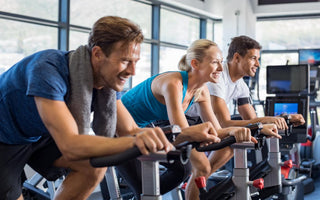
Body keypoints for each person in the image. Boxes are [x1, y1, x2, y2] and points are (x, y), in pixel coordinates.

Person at [0, 16, 221, 200]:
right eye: (125, 61)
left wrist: (182, 135)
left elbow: (131, 131)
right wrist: (136, 141)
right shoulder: (47, 70)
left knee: (93, 167)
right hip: (5, 138)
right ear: (97, 54)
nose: (133, 71)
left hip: (39, 135)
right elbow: (70, 145)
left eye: (135, 61)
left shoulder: (106, 84)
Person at [120, 39, 281, 200]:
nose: (220, 68)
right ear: (195, 64)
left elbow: (217, 129)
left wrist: (254, 128)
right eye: (214, 62)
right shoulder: (173, 83)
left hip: (146, 129)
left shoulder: (201, 91)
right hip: (120, 129)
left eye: (220, 62)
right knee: (144, 189)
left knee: (190, 169)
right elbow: (183, 132)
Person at [187, 35, 305, 130]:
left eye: (258, 59)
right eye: (253, 58)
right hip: (189, 122)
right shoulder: (217, 77)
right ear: (237, 58)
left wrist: (283, 119)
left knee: (241, 138)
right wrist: (268, 120)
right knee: (235, 136)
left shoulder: (241, 85)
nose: (258, 64)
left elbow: (252, 120)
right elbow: (223, 123)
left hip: (204, 122)